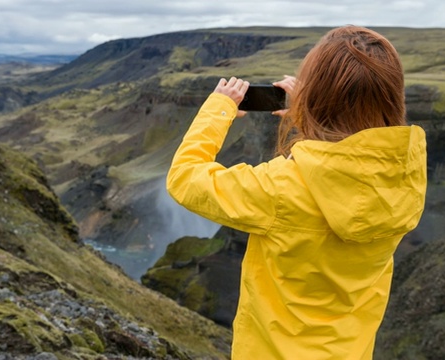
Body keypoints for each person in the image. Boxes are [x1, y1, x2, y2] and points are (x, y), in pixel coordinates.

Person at [166, 25, 427, 360]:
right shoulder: (405, 175)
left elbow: (184, 177)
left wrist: (218, 110)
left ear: (317, 97)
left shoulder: (281, 188)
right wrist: (311, 117)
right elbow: (351, 161)